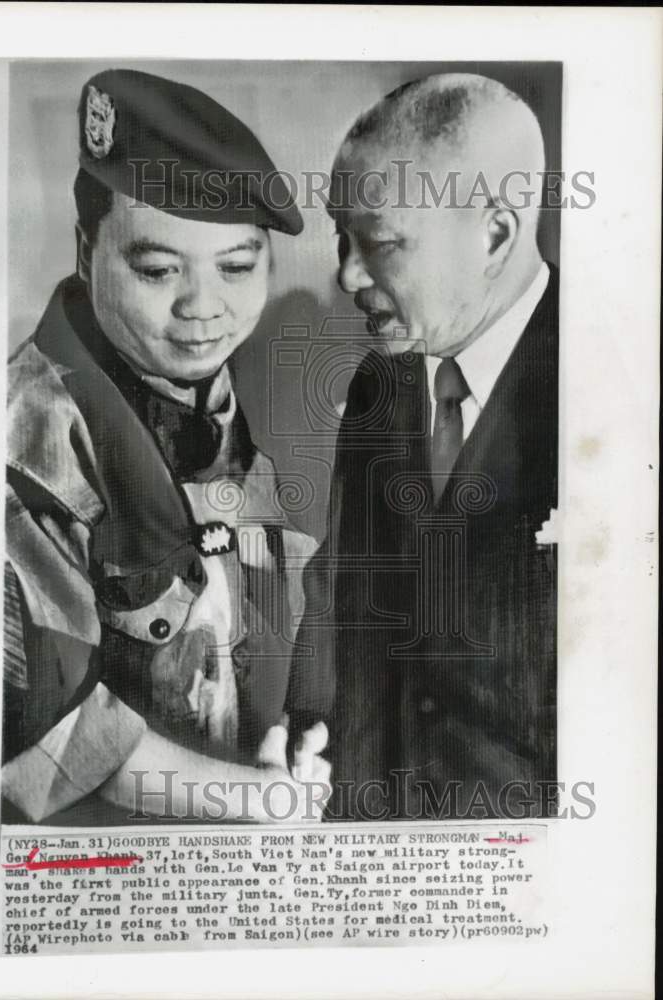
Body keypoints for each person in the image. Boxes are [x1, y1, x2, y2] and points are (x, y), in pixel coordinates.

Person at [1, 69, 330, 825]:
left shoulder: (216, 397)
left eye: (237, 267)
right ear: (86, 252)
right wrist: (254, 798)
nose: (203, 308)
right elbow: (42, 737)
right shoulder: (27, 441)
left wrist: (293, 748)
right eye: (157, 270)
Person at [288, 73, 558, 820]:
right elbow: (339, 580)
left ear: (494, 235)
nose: (347, 275)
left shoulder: (611, 384)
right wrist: (305, 722)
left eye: (378, 243)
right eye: (341, 239)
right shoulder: (379, 383)